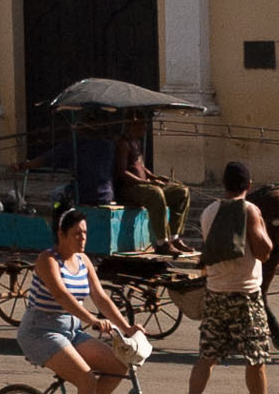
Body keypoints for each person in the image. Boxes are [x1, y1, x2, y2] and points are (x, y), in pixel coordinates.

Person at [15, 204, 142, 394]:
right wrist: (92, 319)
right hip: (40, 332)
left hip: (71, 331)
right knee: (87, 380)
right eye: (76, 233)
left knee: (118, 366)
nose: (82, 238)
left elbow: (101, 298)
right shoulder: (47, 259)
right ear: (61, 234)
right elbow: (61, 295)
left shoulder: (83, 260)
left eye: (84, 232)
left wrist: (127, 328)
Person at [190, 161, 273, 394]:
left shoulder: (208, 212)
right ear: (249, 184)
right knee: (255, 358)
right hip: (245, 297)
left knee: (207, 356)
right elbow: (264, 252)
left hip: (215, 294)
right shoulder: (249, 210)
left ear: (223, 184)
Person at [112, 119, 193, 255]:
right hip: (130, 189)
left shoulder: (136, 142)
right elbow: (122, 172)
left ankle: (175, 237)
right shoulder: (123, 144)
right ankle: (162, 242)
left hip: (144, 187)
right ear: (132, 125)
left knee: (181, 192)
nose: (145, 129)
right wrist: (148, 183)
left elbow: (140, 166)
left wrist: (155, 177)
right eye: (142, 126)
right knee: (155, 193)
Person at [13, 123, 118, 205]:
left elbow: (47, 159)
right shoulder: (109, 144)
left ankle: (60, 223)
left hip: (82, 193)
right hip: (106, 194)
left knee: (55, 196)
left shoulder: (75, 144)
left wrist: (22, 166)